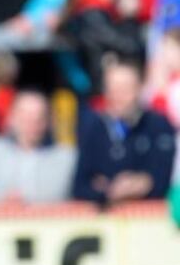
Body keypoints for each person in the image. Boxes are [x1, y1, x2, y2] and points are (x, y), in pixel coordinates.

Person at [73, 60, 176, 204]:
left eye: (125, 89)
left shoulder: (158, 125)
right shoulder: (94, 127)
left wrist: (142, 184)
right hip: (107, 214)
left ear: (140, 88)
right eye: (112, 89)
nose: (118, 96)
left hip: (149, 215)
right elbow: (80, 186)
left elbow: (163, 179)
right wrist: (109, 191)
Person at [0, 90, 76, 204]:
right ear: (11, 118)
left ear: (48, 121)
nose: (33, 122)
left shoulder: (66, 156)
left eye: (39, 117)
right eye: (25, 117)